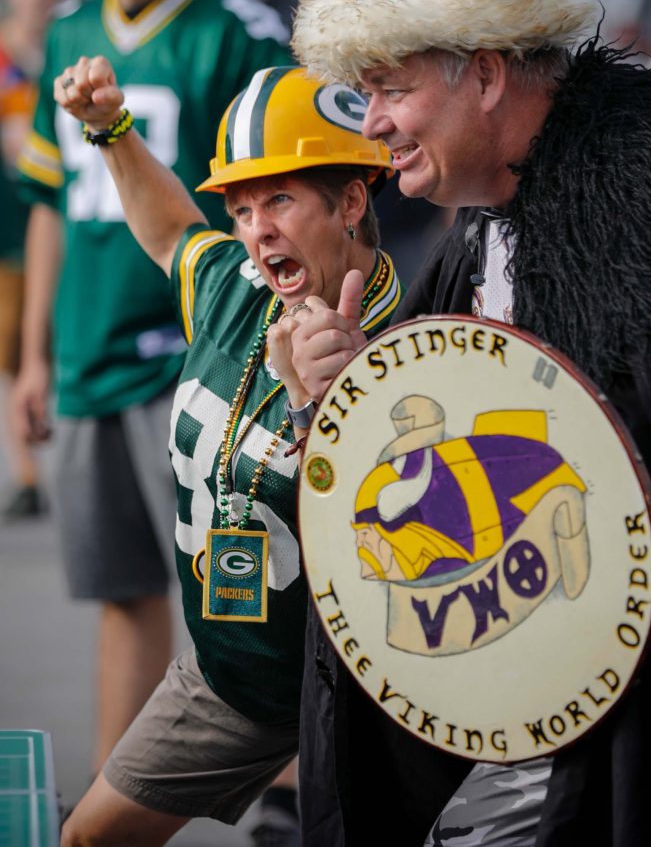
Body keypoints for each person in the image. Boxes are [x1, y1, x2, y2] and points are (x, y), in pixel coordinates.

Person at [287, 0, 651, 847]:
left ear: (487, 69)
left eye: (389, 89)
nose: (372, 124)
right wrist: (337, 396)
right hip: (521, 708)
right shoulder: (487, 223)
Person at [52, 58, 401, 846]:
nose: (256, 229)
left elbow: (403, 548)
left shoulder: (409, 341)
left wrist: (326, 409)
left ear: (350, 200)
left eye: (278, 198)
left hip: (359, 699)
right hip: (232, 675)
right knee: (86, 838)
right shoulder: (233, 283)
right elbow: (173, 228)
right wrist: (109, 129)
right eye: (241, 208)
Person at [13, 0, 291, 787]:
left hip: (202, 354)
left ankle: (295, 795)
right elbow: (49, 205)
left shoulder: (238, 27)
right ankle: (113, 796)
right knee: (121, 593)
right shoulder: (69, 30)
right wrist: (35, 357)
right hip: (90, 352)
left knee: (249, 596)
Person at [0, 0, 68, 520]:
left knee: (59, 343)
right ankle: (27, 471)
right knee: (13, 347)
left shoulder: (68, 52)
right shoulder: (3, 56)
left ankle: (63, 460)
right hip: (9, 227)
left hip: (63, 223)